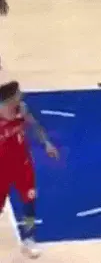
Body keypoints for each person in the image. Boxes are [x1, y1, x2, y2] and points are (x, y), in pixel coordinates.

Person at [0, 81, 59, 258]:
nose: (21, 94)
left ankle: (29, 239)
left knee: (29, 203)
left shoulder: (22, 109)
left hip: (23, 165)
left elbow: (35, 125)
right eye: (18, 93)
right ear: (10, 98)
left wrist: (47, 143)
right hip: (2, 168)